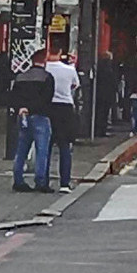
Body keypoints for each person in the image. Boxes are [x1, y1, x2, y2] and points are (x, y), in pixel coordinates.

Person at [9, 49, 55, 193]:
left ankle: (18, 180)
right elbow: (47, 99)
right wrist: (32, 108)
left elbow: (13, 96)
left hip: (23, 116)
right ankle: (41, 182)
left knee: (21, 149)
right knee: (42, 150)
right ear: (44, 61)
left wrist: (21, 108)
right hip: (40, 116)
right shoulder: (47, 77)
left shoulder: (20, 77)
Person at [46, 50, 80, 194]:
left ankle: (43, 181)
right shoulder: (69, 70)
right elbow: (75, 85)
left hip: (48, 106)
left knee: (45, 146)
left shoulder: (44, 68)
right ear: (60, 53)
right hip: (65, 108)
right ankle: (64, 183)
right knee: (65, 146)